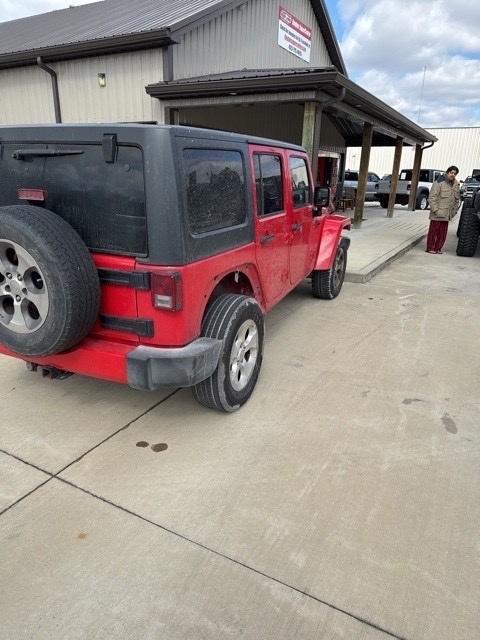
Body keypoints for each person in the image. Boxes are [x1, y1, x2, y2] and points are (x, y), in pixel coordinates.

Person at [426, 165, 460, 254]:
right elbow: (432, 197)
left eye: (454, 173)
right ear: (447, 172)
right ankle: (431, 248)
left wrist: (454, 212)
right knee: (434, 232)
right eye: (451, 173)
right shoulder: (439, 182)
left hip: (447, 214)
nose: (453, 175)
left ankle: (438, 248)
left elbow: (457, 199)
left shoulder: (456, 184)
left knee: (442, 234)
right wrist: (436, 210)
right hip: (438, 213)